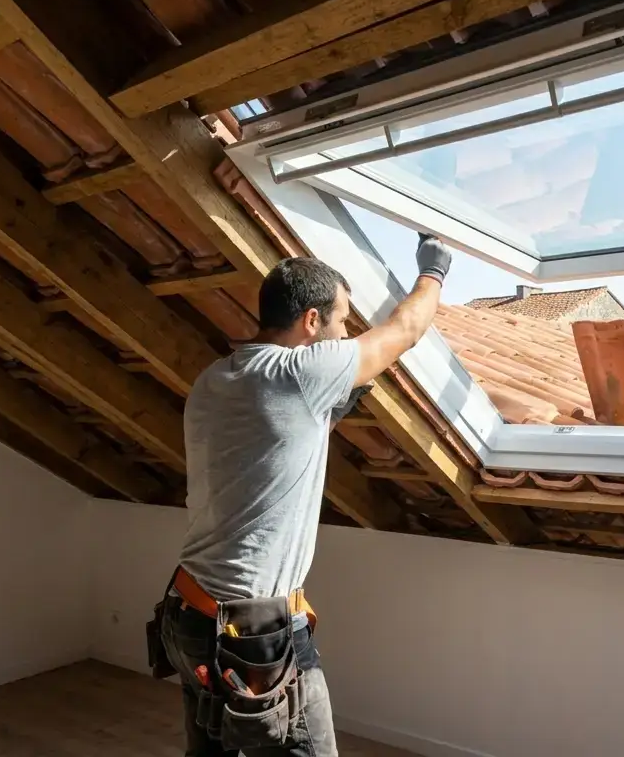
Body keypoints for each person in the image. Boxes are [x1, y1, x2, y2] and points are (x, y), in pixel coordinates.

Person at [156, 234, 452, 756]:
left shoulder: (215, 379)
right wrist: (435, 270)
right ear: (311, 321)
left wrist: (343, 399)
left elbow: (281, 439)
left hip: (187, 613)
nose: (345, 335)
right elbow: (405, 330)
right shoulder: (300, 374)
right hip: (253, 635)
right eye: (340, 321)